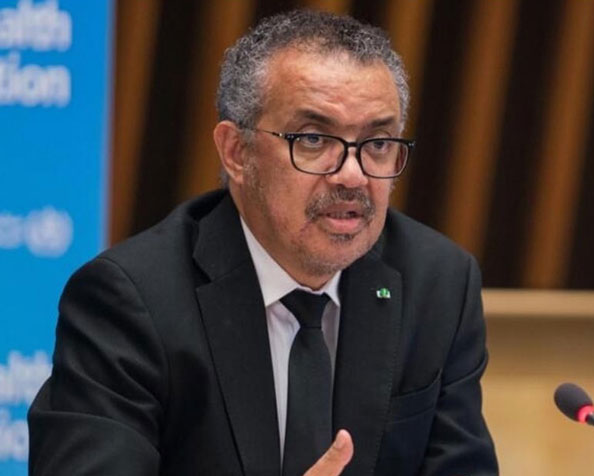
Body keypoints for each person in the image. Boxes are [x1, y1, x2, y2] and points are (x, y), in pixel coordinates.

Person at [28, 9, 498, 476]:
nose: (353, 175)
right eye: (313, 139)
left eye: (377, 143)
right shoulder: (132, 300)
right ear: (236, 151)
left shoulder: (438, 283)